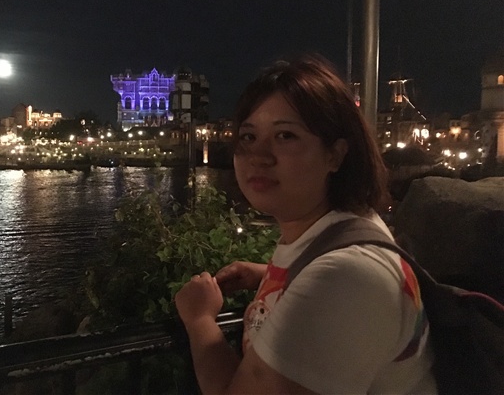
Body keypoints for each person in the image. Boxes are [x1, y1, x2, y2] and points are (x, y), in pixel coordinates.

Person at [174, 54, 437, 394]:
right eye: (248, 137)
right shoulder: (348, 226)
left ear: (335, 154)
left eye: (285, 135)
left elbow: (339, 286)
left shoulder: (347, 278)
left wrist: (199, 319)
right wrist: (274, 275)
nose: (259, 156)